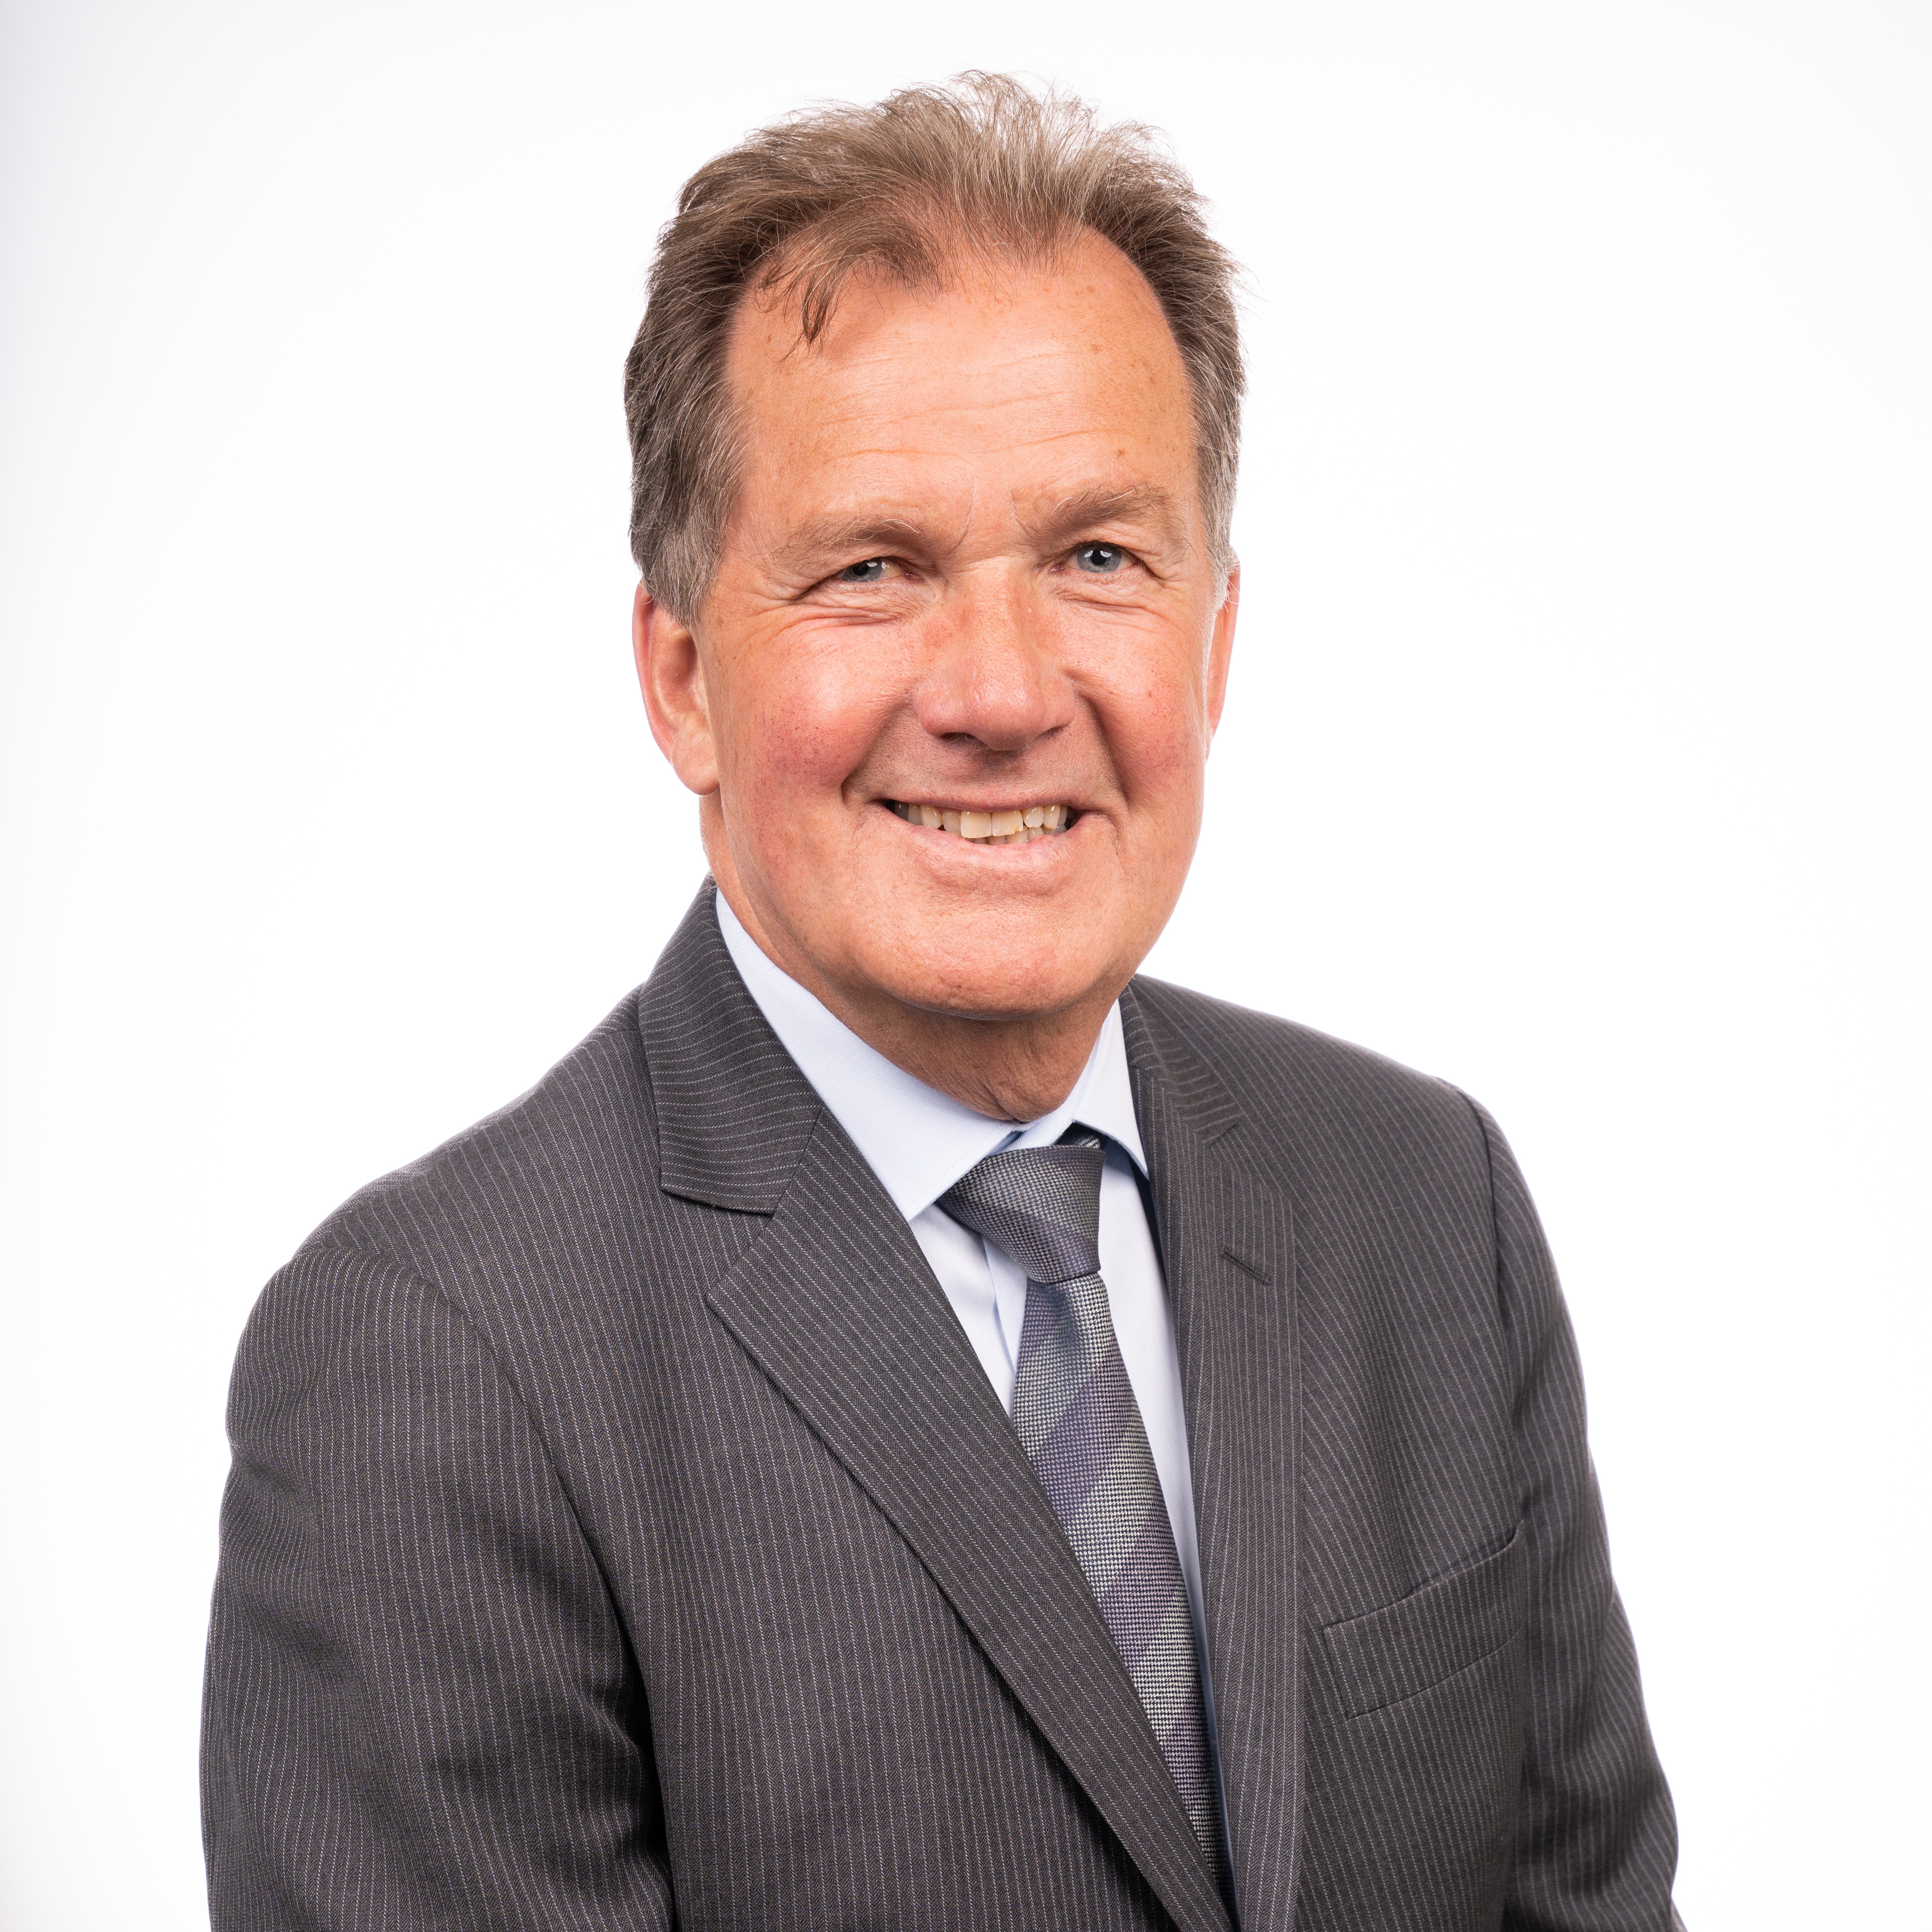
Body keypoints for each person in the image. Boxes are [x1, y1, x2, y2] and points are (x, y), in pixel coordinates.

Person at [201, 74, 1682, 1932]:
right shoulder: (432, 1371)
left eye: (1097, 558)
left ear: (1214, 641)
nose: (1000, 692)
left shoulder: (1424, 1205)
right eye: (873, 570)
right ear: (681, 678)